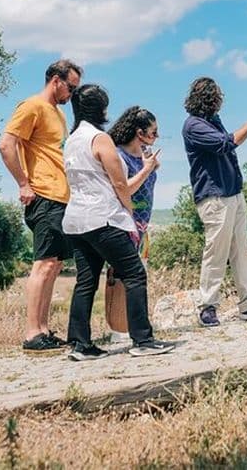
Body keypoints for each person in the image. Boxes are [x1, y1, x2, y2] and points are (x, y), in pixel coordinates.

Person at [62, 84, 174, 360]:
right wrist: (128, 216)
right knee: (135, 273)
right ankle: (142, 340)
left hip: (76, 220)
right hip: (104, 218)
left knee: (86, 281)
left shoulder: (72, 140)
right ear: (100, 109)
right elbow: (121, 186)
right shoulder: (100, 139)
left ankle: (79, 344)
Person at [0, 59, 82, 354]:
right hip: (44, 196)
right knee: (44, 263)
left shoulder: (57, 114)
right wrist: (23, 183)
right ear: (56, 81)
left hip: (62, 197)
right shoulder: (31, 106)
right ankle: (32, 333)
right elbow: (6, 144)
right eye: (71, 86)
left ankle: (43, 330)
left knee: (55, 264)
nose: (73, 93)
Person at [182, 77, 247, 327]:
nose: (219, 102)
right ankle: (208, 307)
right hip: (215, 197)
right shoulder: (194, 126)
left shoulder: (212, 121)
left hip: (233, 193)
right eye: (216, 98)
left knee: (241, 250)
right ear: (209, 100)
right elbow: (225, 144)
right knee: (216, 252)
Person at [105, 106, 162, 341]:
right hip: (124, 224)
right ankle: (118, 329)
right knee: (121, 277)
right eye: (153, 132)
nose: (155, 137)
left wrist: (150, 168)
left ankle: (131, 325)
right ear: (139, 133)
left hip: (142, 226)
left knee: (138, 277)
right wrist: (147, 170)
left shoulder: (143, 157)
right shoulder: (119, 156)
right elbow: (124, 190)